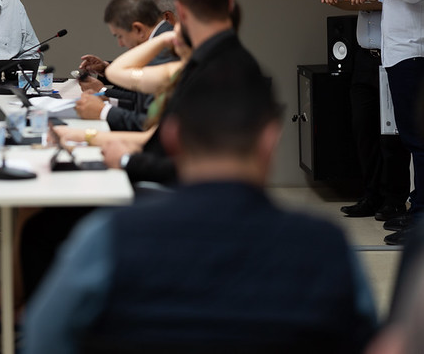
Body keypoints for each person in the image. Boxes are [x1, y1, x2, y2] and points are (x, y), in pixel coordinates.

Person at [23, 52, 376, 354]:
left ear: (172, 137)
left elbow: (42, 341)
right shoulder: (326, 247)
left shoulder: (109, 237)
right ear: (271, 140)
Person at [104, 0, 268, 188]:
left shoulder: (206, 71)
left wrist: (126, 161)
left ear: (177, 13)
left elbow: (194, 163)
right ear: (229, 4)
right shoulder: (216, 62)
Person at [321, 0, 409, 223]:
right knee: (363, 129)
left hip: (395, 54)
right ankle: (370, 195)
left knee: (394, 134)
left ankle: (394, 200)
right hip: (364, 54)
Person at [346, 0, 424, 245]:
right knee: (410, 138)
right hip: (399, 52)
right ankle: (416, 209)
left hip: (413, 51)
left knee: (416, 140)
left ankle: (420, 216)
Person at [74, 0, 177, 131]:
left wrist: (104, 111)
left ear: (138, 29)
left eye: (120, 36)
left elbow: (151, 125)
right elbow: (142, 100)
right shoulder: (161, 40)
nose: (120, 44)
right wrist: (108, 98)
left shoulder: (163, 49)